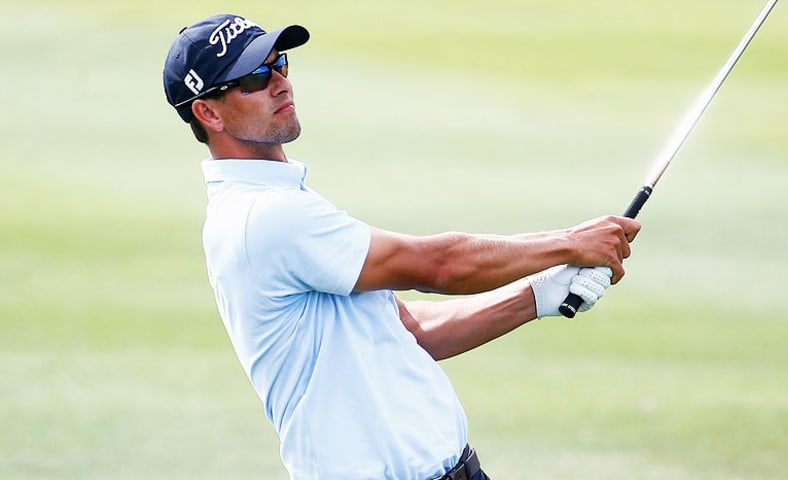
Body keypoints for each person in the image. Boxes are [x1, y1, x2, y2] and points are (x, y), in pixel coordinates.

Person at [163, 13, 640, 480]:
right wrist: (569, 245)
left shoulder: (282, 201)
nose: (281, 83)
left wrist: (536, 296)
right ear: (208, 112)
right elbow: (435, 266)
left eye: (280, 63)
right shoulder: (263, 217)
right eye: (256, 77)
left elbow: (407, 329)